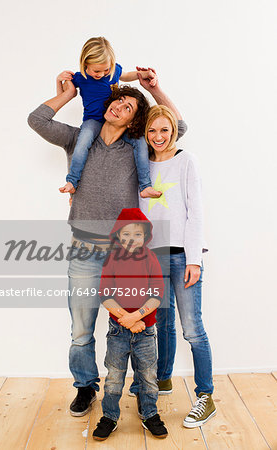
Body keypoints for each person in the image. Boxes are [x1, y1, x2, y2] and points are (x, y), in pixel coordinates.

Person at [27, 75, 187, 418]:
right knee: (81, 328)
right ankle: (86, 387)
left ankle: (140, 385)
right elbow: (36, 119)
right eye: (118, 101)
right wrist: (69, 93)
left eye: (129, 106)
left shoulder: (136, 147)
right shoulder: (77, 140)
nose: (119, 106)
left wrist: (154, 89)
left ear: (134, 120)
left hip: (125, 256)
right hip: (84, 249)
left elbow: (179, 126)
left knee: (135, 321)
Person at [137, 95, 216, 427]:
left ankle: (206, 396)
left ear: (174, 131)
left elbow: (195, 212)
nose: (158, 136)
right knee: (162, 324)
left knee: (192, 329)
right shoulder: (142, 166)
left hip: (182, 255)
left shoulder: (186, 161)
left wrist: (194, 260)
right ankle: (163, 378)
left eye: (165, 129)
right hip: (152, 256)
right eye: (152, 130)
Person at [92, 208, 167, 440]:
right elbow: (106, 293)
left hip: (145, 330)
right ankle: (110, 417)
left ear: (145, 236)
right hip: (118, 330)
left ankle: (150, 413)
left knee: (147, 376)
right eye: (125, 234)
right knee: (114, 376)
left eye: (136, 234)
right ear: (117, 235)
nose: (130, 239)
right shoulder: (112, 258)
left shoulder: (151, 259)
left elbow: (157, 293)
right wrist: (125, 318)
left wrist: (137, 317)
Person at [57, 36, 161, 198]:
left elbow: (127, 76)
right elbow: (63, 95)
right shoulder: (80, 78)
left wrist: (145, 73)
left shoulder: (113, 72)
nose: (102, 74)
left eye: (106, 70)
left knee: (139, 141)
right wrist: (59, 81)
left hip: (117, 123)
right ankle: (72, 181)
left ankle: (145, 185)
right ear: (85, 65)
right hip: (93, 121)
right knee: (82, 142)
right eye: (97, 71)